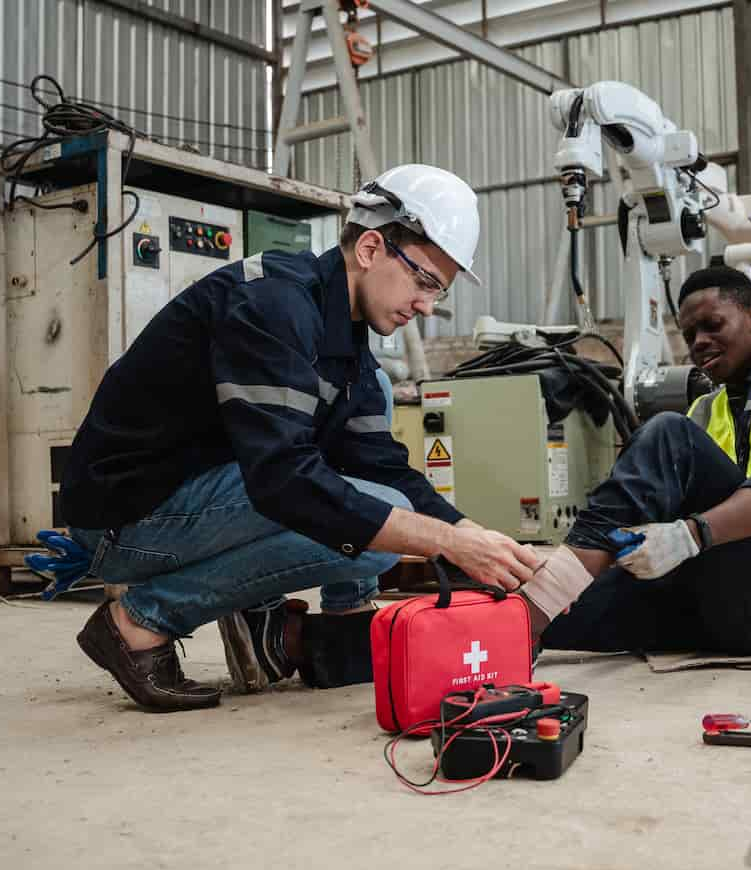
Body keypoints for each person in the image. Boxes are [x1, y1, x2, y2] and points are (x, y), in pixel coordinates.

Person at [59, 164, 542, 712]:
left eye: (438, 292)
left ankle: (286, 611)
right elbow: (283, 482)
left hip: (194, 496)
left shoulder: (345, 338)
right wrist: (446, 543)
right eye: (424, 281)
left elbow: (380, 465)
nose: (427, 306)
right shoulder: (276, 306)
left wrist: (477, 538)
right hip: (124, 518)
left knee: (380, 509)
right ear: (370, 248)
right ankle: (141, 621)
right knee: (374, 518)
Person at [517, 265, 751, 655]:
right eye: (690, 335)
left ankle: (535, 608)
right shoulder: (706, 411)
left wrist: (686, 536)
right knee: (564, 614)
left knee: (666, 432)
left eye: (712, 325)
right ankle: (512, 621)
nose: (699, 342)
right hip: (717, 598)